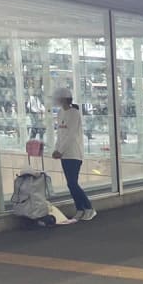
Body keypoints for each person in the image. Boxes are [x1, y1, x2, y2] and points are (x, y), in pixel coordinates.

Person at [51, 88, 96, 221]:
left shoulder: (74, 113)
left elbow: (71, 135)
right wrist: (56, 149)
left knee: (72, 183)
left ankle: (89, 208)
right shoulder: (60, 113)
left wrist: (61, 150)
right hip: (64, 155)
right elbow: (60, 134)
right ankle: (80, 209)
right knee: (70, 184)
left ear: (64, 99)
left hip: (74, 153)